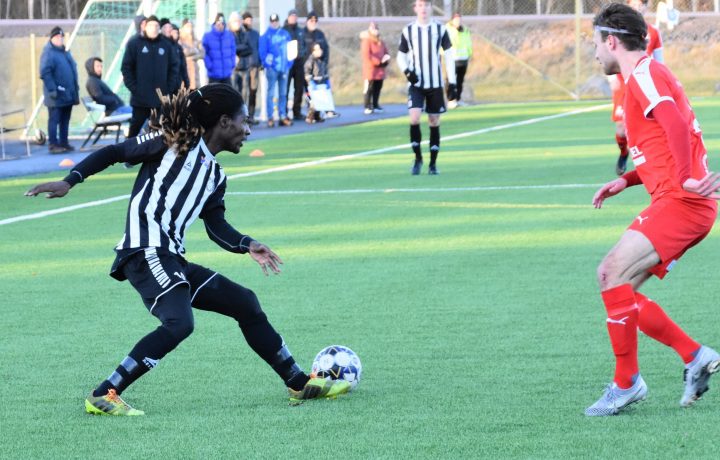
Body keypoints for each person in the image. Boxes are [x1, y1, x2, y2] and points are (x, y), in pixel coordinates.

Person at [24, 84, 351, 415]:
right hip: (144, 250)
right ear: (224, 122)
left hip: (170, 259)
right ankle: (103, 394)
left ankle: (298, 382)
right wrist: (71, 179)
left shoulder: (215, 175)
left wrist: (247, 243)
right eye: (245, 121)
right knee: (180, 323)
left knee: (246, 303)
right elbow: (114, 152)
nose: (248, 130)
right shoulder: (173, 144)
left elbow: (215, 226)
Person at [586, 3, 720, 416]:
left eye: (595, 44)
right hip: (682, 200)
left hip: (684, 201)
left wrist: (686, 178)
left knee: (610, 273)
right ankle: (694, 356)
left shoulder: (643, 74)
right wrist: (625, 180)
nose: (594, 54)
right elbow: (662, 145)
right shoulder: (642, 77)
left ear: (612, 41)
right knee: (620, 290)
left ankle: (628, 384)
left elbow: (676, 125)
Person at [396, 0, 457, 175]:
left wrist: (452, 82)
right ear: (415, 8)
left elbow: (449, 55)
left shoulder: (440, 29)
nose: (423, 9)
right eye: (420, 5)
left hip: (435, 84)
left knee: (434, 121)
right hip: (416, 84)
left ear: (431, 8)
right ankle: (417, 159)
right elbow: (400, 56)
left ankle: (433, 164)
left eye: (427, 5)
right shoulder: (408, 31)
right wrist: (408, 72)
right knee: (414, 117)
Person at [610, 0, 664, 176]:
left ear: (646, 7)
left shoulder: (654, 32)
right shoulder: (619, 30)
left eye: (642, 4)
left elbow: (659, 60)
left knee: (650, 125)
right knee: (621, 129)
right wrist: (611, 79)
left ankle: (649, 160)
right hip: (624, 85)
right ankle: (624, 152)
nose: (638, 7)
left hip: (645, 84)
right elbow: (609, 55)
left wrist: (660, 80)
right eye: (635, 3)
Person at [121, 15, 179, 138]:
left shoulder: (166, 45)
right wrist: (135, 88)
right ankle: (127, 154)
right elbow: (126, 68)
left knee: (158, 131)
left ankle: (153, 155)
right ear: (145, 27)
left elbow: (174, 66)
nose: (154, 28)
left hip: (160, 99)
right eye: (151, 25)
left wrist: (168, 88)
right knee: (135, 129)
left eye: (156, 26)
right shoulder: (134, 43)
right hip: (140, 99)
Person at [40, 26, 79, 153]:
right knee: (54, 119)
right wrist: (53, 90)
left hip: (68, 94)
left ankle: (64, 142)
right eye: (57, 37)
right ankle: (53, 144)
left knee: (65, 120)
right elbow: (45, 72)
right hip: (56, 95)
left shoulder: (65, 52)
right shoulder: (48, 53)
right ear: (52, 38)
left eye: (61, 37)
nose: (60, 39)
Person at [259, 13, 293, 128]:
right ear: (270, 22)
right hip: (272, 69)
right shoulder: (266, 36)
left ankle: (283, 115)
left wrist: (289, 64)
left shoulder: (285, 34)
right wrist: (268, 64)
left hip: (284, 68)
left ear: (279, 21)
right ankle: (270, 117)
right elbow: (262, 53)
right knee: (271, 93)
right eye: (272, 21)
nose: (274, 23)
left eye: (276, 21)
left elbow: (291, 50)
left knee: (283, 93)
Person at [303, 11, 338, 118]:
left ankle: (326, 110)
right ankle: (312, 113)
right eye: (311, 20)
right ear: (307, 21)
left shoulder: (320, 34)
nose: (313, 22)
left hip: (320, 69)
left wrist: (324, 63)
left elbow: (326, 49)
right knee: (310, 91)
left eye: (315, 20)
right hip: (308, 68)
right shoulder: (302, 33)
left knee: (324, 90)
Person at [360, 21, 390, 115]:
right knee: (369, 88)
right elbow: (367, 55)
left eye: (376, 28)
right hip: (370, 70)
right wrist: (378, 62)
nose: (375, 31)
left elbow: (386, 52)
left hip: (380, 70)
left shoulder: (381, 42)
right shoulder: (366, 41)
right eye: (373, 28)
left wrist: (385, 60)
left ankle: (375, 104)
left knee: (378, 87)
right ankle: (367, 106)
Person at [236, 12, 261, 125]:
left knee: (253, 92)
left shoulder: (256, 34)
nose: (249, 22)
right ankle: (243, 116)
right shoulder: (241, 34)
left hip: (254, 66)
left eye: (251, 20)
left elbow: (257, 49)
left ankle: (251, 115)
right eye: (247, 20)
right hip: (245, 66)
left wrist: (260, 63)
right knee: (243, 92)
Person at [283, 9, 307, 121]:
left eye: (295, 16)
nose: (293, 18)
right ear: (288, 17)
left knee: (299, 88)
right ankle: (285, 112)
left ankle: (296, 111)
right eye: (291, 16)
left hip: (299, 63)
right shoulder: (283, 30)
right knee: (286, 88)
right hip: (287, 63)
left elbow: (304, 45)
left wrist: (302, 54)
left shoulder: (300, 31)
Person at [445, 12, 472, 108]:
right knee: (451, 80)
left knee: (460, 80)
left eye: (460, 19)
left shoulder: (465, 30)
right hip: (453, 58)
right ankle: (451, 99)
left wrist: (469, 54)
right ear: (452, 20)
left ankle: (458, 99)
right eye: (456, 19)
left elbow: (468, 43)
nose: (458, 21)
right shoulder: (448, 29)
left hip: (463, 58)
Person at [202, 13, 236, 85]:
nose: (220, 26)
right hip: (214, 74)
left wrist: (232, 64)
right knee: (214, 95)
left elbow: (233, 51)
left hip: (227, 74)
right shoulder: (207, 36)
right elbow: (204, 53)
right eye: (218, 24)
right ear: (214, 24)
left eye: (222, 24)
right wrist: (209, 65)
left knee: (228, 95)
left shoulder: (229, 35)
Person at [304, 43, 330, 123]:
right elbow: (307, 73)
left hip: (321, 84)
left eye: (320, 49)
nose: (319, 51)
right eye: (317, 49)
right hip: (314, 84)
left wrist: (327, 81)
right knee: (313, 103)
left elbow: (324, 72)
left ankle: (317, 116)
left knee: (320, 101)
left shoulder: (322, 60)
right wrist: (311, 83)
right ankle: (310, 117)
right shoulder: (310, 61)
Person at [162, 21, 190, 92]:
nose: (175, 34)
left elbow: (183, 66)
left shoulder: (179, 48)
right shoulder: (164, 46)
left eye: (177, 32)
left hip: (177, 83)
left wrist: (186, 82)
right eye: (173, 32)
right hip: (166, 83)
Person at [179, 19, 204, 90]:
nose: (190, 28)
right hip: (185, 74)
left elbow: (202, 53)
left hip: (195, 74)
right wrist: (195, 50)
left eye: (191, 26)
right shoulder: (180, 40)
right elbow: (183, 52)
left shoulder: (195, 40)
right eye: (187, 26)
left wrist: (192, 57)